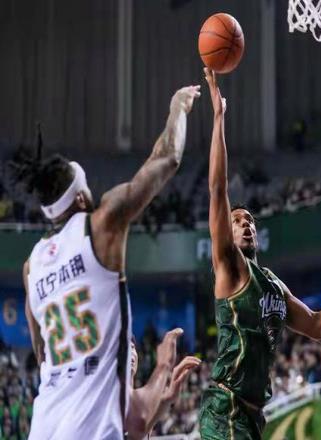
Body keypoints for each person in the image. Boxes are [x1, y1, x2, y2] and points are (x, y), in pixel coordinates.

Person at [198, 68, 321, 440]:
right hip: (225, 408)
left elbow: (317, 326)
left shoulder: (273, 284)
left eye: (250, 221)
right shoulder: (230, 267)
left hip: (252, 415)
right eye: (237, 221)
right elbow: (218, 189)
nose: (246, 224)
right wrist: (218, 118)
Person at [15, 85, 200, 439]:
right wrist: (178, 107)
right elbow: (167, 158)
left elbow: (43, 354)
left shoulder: (31, 266)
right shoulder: (100, 225)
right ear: (81, 197)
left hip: (44, 426)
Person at [126, 329, 201, 440]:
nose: (131, 352)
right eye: (125, 348)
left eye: (132, 347)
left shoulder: (140, 402)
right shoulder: (108, 399)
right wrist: (163, 366)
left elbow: (138, 433)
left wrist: (167, 401)